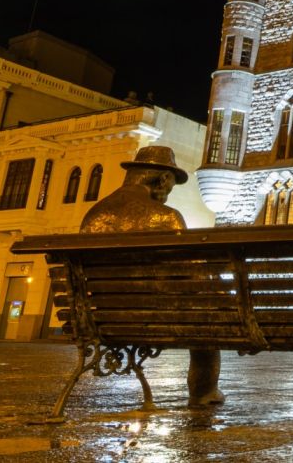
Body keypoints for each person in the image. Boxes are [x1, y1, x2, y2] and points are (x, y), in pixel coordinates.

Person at [80, 145, 224, 406]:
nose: (167, 195)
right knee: (205, 323)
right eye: (171, 187)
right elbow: (191, 279)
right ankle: (203, 393)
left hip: (99, 319)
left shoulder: (93, 215)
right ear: (164, 179)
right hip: (157, 319)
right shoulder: (166, 217)